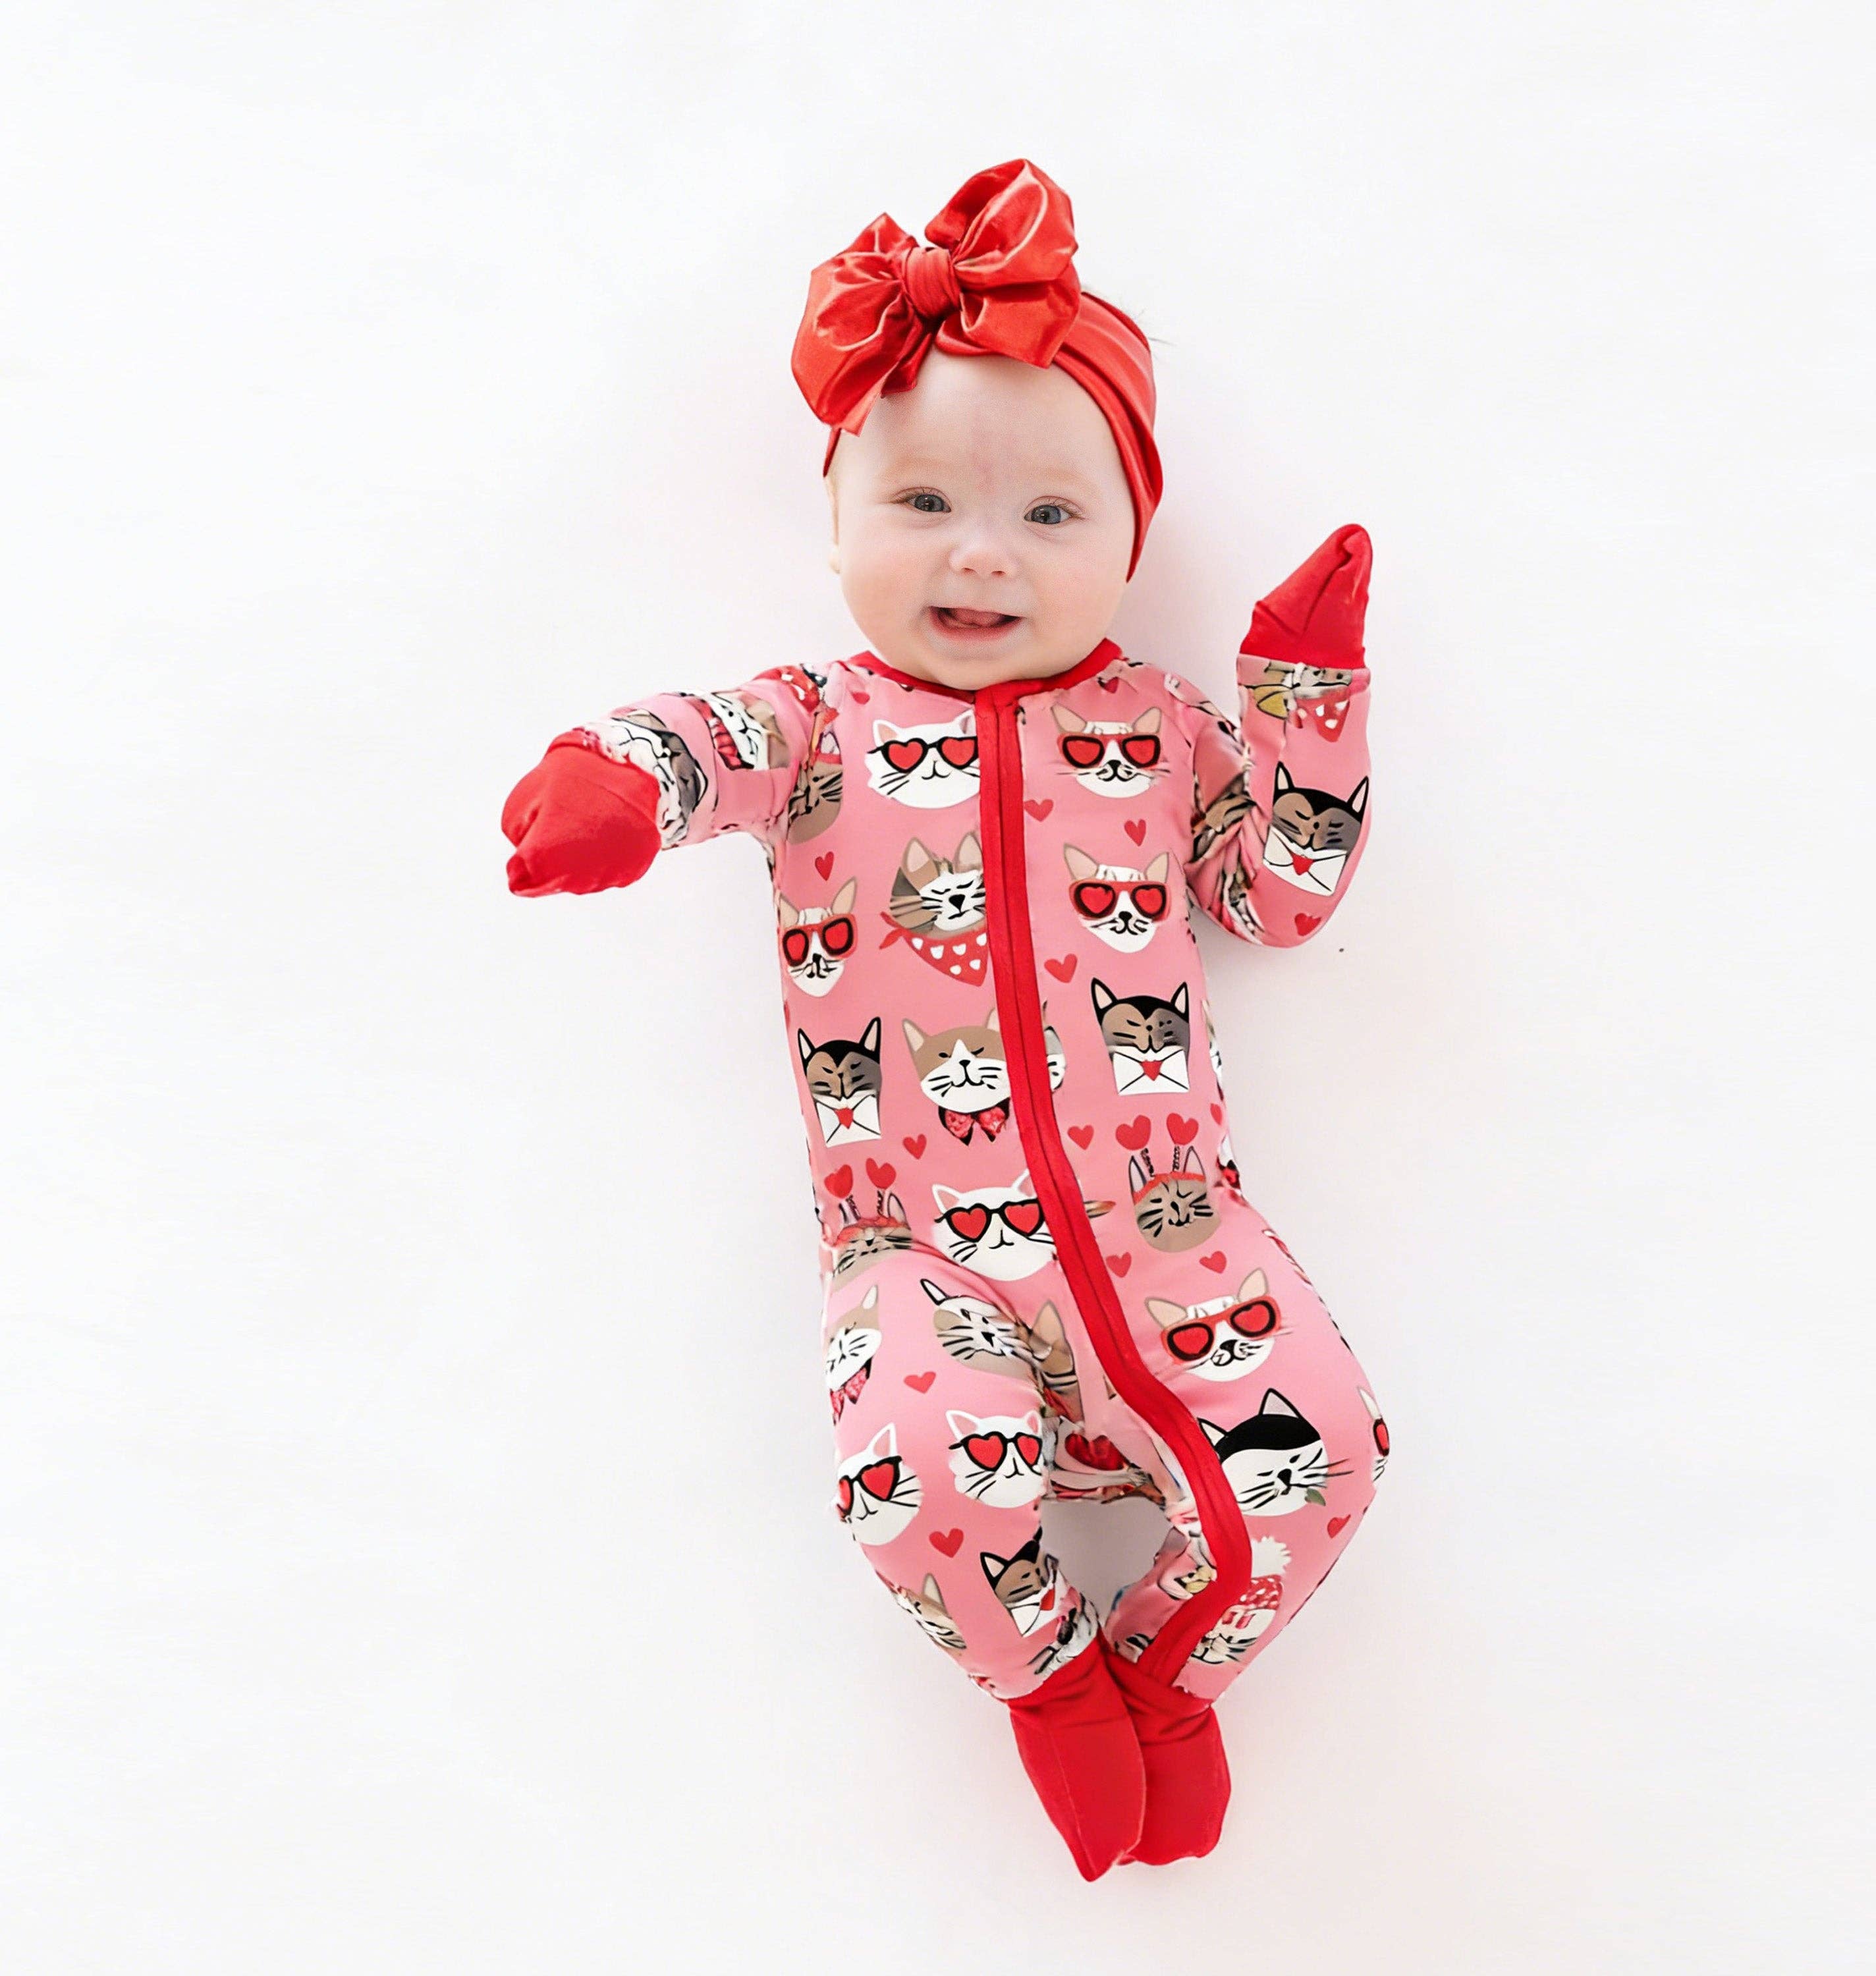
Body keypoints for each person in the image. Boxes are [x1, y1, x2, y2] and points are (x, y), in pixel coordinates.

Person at [501, 159, 1390, 1878]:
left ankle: (1168, 1677)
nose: (982, 551)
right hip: (925, 1263)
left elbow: (1276, 892)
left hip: (1177, 1250)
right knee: (909, 1465)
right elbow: (702, 743)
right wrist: (612, 779)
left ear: (1130, 544)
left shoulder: (1159, 727)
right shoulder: (818, 724)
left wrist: (1307, 696)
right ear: (837, 525)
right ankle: (1050, 1678)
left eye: (1052, 516)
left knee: (1329, 1455)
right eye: (921, 501)